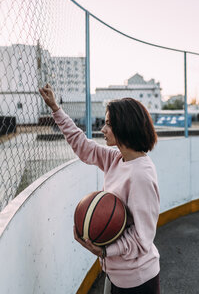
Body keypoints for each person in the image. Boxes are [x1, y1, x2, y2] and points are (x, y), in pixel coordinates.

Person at [39, 83, 160, 294]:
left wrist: (105, 251)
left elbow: (143, 238)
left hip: (138, 279)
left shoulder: (141, 175)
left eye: (108, 125)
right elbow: (83, 146)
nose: (102, 129)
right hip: (116, 272)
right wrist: (56, 109)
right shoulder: (117, 158)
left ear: (125, 126)